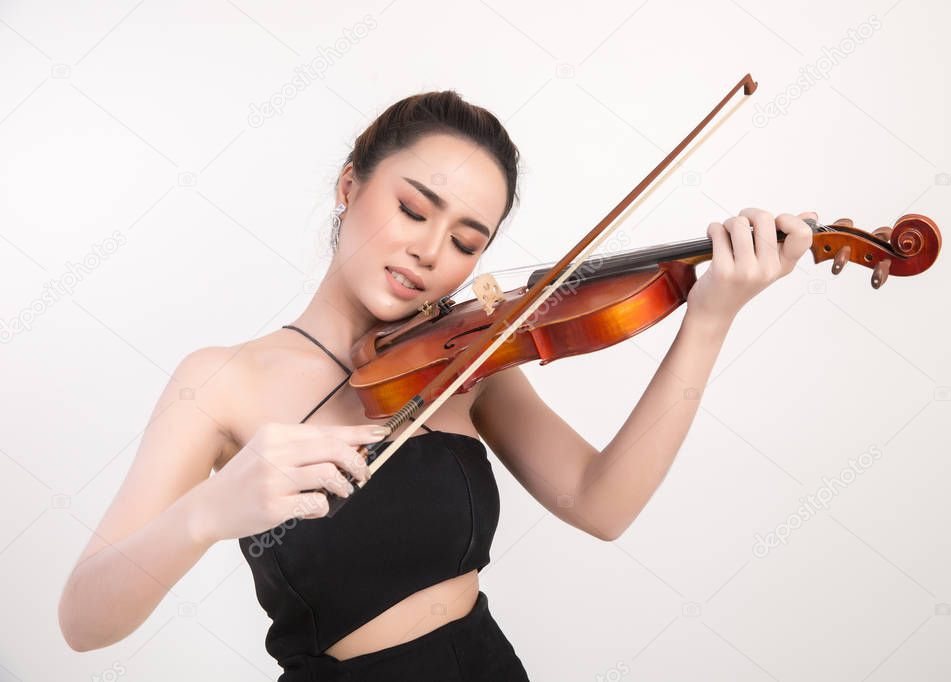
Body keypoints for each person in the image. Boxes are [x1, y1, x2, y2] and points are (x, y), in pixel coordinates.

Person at [57, 89, 815, 680]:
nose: (428, 252)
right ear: (349, 186)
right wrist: (207, 512)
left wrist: (709, 317)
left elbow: (602, 503)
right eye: (413, 208)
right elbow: (83, 622)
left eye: (464, 241)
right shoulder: (222, 380)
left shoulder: (464, 367)